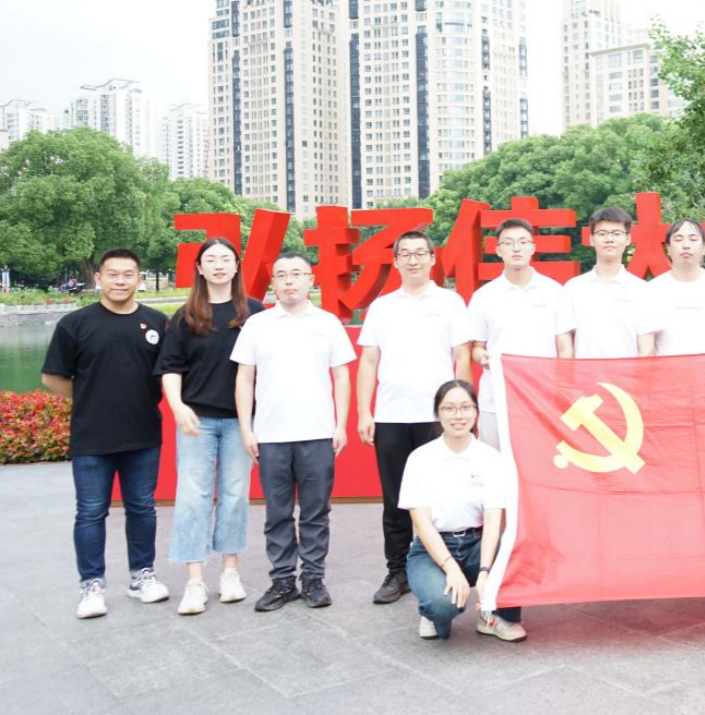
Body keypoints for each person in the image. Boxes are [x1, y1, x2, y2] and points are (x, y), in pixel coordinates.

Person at [42, 248, 170, 619]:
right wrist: (91, 397)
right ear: (98, 278)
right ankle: (92, 585)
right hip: (92, 436)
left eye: (128, 274)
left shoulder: (157, 322)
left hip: (143, 433)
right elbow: (52, 378)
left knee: (142, 507)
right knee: (90, 512)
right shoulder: (75, 324)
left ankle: (142, 576)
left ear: (139, 279)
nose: (120, 281)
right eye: (112, 274)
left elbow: (171, 374)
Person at [231, 252, 356, 612]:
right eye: (282, 275)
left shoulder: (327, 323)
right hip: (270, 435)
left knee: (316, 511)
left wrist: (340, 425)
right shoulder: (257, 324)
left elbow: (342, 376)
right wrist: (246, 428)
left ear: (310, 280)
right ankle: (283, 581)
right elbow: (244, 378)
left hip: (317, 432)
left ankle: (313, 578)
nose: (289, 281)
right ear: (273, 283)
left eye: (297, 274)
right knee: (278, 513)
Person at [356, 231, 474, 605]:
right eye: (405, 254)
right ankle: (398, 571)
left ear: (432, 258)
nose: (413, 260)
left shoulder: (450, 302)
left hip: (437, 418)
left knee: (440, 495)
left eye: (420, 253)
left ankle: (441, 565)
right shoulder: (382, 307)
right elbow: (369, 360)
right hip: (391, 415)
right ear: (395, 261)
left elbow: (462, 356)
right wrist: (364, 411)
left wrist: (461, 409)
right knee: (395, 498)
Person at [155, 239, 265, 615]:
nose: (218, 265)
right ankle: (194, 581)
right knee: (192, 497)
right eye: (210, 260)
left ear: (237, 266)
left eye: (225, 259)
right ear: (199, 268)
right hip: (197, 421)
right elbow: (170, 367)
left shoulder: (254, 313)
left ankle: (230, 572)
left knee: (234, 495)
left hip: (240, 421)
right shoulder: (186, 316)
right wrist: (177, 406)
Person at [402, 380, 526, 642]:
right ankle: (431, 610)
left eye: (466, 407)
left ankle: (496, 617)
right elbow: (422, 524)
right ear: (437, 414)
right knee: (441, 605)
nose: (458, 415)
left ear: (476, 412)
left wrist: (485, 571)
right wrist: (451, 569)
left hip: (477, 543)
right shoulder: (420, 459)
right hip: (432, 547)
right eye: (449, 408)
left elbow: (493, 521)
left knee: (516, 551)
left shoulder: (491, 459)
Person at [469, 218, 575, 448]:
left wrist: (562, 391)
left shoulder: (554, 292)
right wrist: (482, 357)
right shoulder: (484, 296)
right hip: (496, 399)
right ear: (498, 250)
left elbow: (565, 348)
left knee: (540, 460)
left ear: (533, 248)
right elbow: (476, 347)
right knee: (494, 462)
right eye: (508, 243)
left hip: (542, 399)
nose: (516, 248)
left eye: (523, 242)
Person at [566, 207, 661, 358]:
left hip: (628, 373)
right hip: (584, 372)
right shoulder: (573, 288)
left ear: (628, 239)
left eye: (616, 233)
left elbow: (647, 349)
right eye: (602, 233)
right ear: (591, 239)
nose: (609, 239)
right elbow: (566, 347)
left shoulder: (642, 290)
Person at [648, 219, 705, 356]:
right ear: (668, 248)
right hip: (668, 369)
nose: (686, 245)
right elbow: (648, 342)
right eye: (678, 239)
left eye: (693, 239)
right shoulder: (652, 290)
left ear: (704, 248)